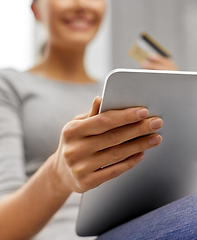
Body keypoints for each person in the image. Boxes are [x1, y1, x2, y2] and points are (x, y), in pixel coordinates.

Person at [0, 1, 193, 240]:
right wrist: (57, 175)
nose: (81, 4)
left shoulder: (122, 92)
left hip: (136, 225)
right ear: (36, 9)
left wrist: (175, 106)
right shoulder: (8, 86)